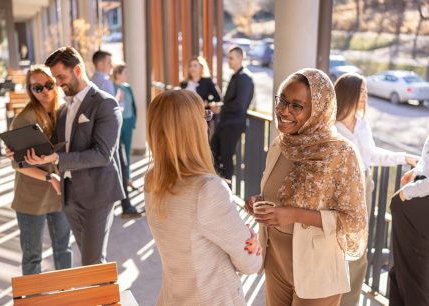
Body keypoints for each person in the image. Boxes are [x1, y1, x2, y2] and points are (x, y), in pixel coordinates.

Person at [244, 69, 368, 306]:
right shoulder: (281, 144)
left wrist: (294, 215)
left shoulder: (341, 154)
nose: (283, 110)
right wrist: (257, 202)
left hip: (318, 266)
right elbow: (276, 196)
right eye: (282, 100)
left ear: (318, 111)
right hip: (275, 258)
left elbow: (353, 221)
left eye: (296, 106)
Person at [144, 90, 262, 306]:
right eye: (204, 116)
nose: (207, 123)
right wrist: (253, 241)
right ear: (192, 129)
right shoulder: (207, 190)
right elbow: (251, 264)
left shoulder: (152, 182)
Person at [19, 46, 124, 266]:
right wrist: (19, 149)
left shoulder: (105, 104)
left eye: (60, 77)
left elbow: (103, 155)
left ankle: (103, 300)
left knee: (92, 262)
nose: (57, 83)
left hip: (96, 197)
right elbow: (55, 147)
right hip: (69, 197)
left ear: (77, 70)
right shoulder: (64, 109)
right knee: (88, 259)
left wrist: (58, 160)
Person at [333, 72, 420, 306]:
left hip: (365, 189)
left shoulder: (362, 122)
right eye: (360, 91)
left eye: (365, 90)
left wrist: (405, 157)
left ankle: (348, 301)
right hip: (338, 196)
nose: (365, 95)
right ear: (347, 92)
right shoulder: (331, 127)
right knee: (336, 247)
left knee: (358, 249)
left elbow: (371, 155)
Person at [8, 64, 72, 275]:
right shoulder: (24, 120)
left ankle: (67, 297)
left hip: (59, 193)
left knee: (64, 249)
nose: (44, 91)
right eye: (37, 88)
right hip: (31, 198)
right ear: (30, 90)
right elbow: (18, 164)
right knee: (32, 257)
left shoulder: (65, 112)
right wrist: (50, 177)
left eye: (49, 84)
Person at [91, 51, 142, 218]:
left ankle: (118, 206)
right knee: (121, 167)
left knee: (114, 168)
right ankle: (125, 206)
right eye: (109, 62)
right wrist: (119, 102)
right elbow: (111, 112)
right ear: (100, 64)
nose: (111, 66)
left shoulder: (92, 81)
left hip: (101, 134)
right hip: (112, 134)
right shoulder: (105, 83)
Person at [389, 137, 429, 306]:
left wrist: (407, 192)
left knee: (412, 279)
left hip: (419, 203)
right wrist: (418, 170)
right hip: (419, 199)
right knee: (400, 273)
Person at [210, 46, 254, 182]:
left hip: (234, 124)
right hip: (226, 123)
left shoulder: (245, 77)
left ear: (240, 59)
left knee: (227, 158)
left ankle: (227, 191)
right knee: (214, 151)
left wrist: (221, 108)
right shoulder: (236, 76)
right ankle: (217, 186)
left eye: (231, 58)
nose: (228, 60)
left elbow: (240, 103)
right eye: (228, 57)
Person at [111, 64, 137, 187]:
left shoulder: (128, 87)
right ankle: (118, 179)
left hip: (128, 122)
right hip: (117, 124)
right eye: (125, 73)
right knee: (117, 153)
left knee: (127, 151)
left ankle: (127, 178)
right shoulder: (111, 87)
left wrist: (133, 120)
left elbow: (133, 105)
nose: (128, 75)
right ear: (118, 75)